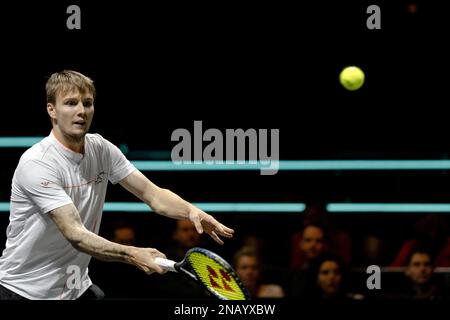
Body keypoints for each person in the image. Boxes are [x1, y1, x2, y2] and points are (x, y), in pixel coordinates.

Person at [0, 70, 234, 300]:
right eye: (71, 103)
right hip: (24, 291)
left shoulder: (101, 149)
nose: (81, 111)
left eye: (87, 103)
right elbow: (76, 235)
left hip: (76, 287)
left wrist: (190, 210)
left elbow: (153, 195)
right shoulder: (38, 163)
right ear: (52, 109)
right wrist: (132, 253)